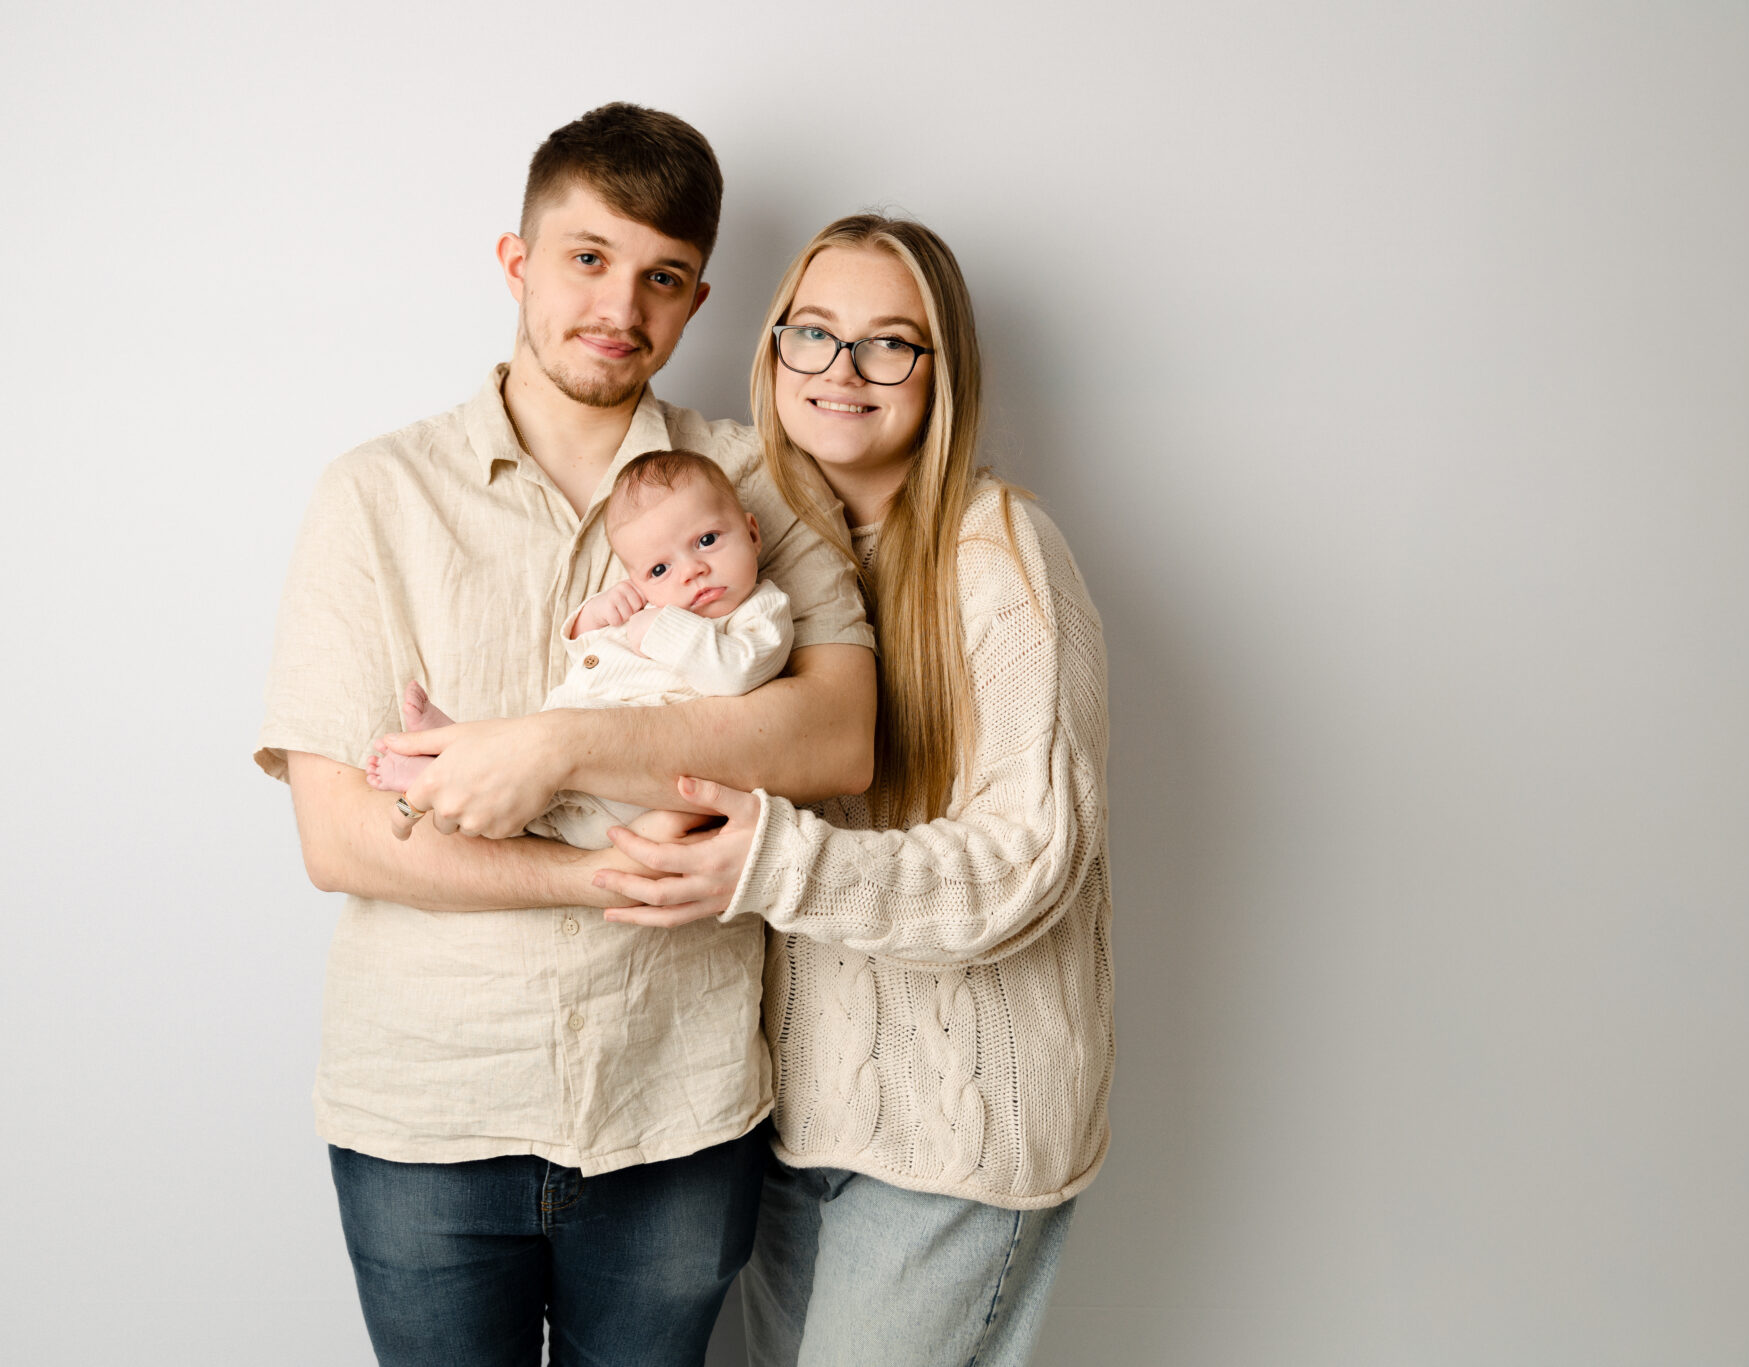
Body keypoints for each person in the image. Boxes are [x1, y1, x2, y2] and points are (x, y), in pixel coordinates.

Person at [254, 106, 876, 1366]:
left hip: (677, 1103)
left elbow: (836, 737)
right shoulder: (374, 494)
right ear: (514, 260)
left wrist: (555, 747)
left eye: (658, 276)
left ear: (697, 296)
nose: (619, 303)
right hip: (426, 1105)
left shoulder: (762, 481)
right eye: (585, 257)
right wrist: (593, 874)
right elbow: (340, 836)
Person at [592, 214, 1115, 1367]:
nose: (841, 372)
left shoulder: (1003, 556)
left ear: (942, 370)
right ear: (771, 346)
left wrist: (775, 860)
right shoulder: (733, 550)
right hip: (795, 1121)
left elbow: (1027, 856)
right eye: (814, 334)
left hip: (952, 1131)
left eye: (889, 344)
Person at [365, 448, 795, 850]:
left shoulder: (761, 610)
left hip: (626, 789)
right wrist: (595, 615)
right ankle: (447, 752)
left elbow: (738, 672)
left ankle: (436, 774)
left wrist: (664, 630)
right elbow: (592, 659)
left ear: (752, 533)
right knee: (508, 760)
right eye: (659, 569)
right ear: (641, 583)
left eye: (707, 540)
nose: (692, 571)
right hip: (560, 732)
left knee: (522, 813)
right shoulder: (650, 609)